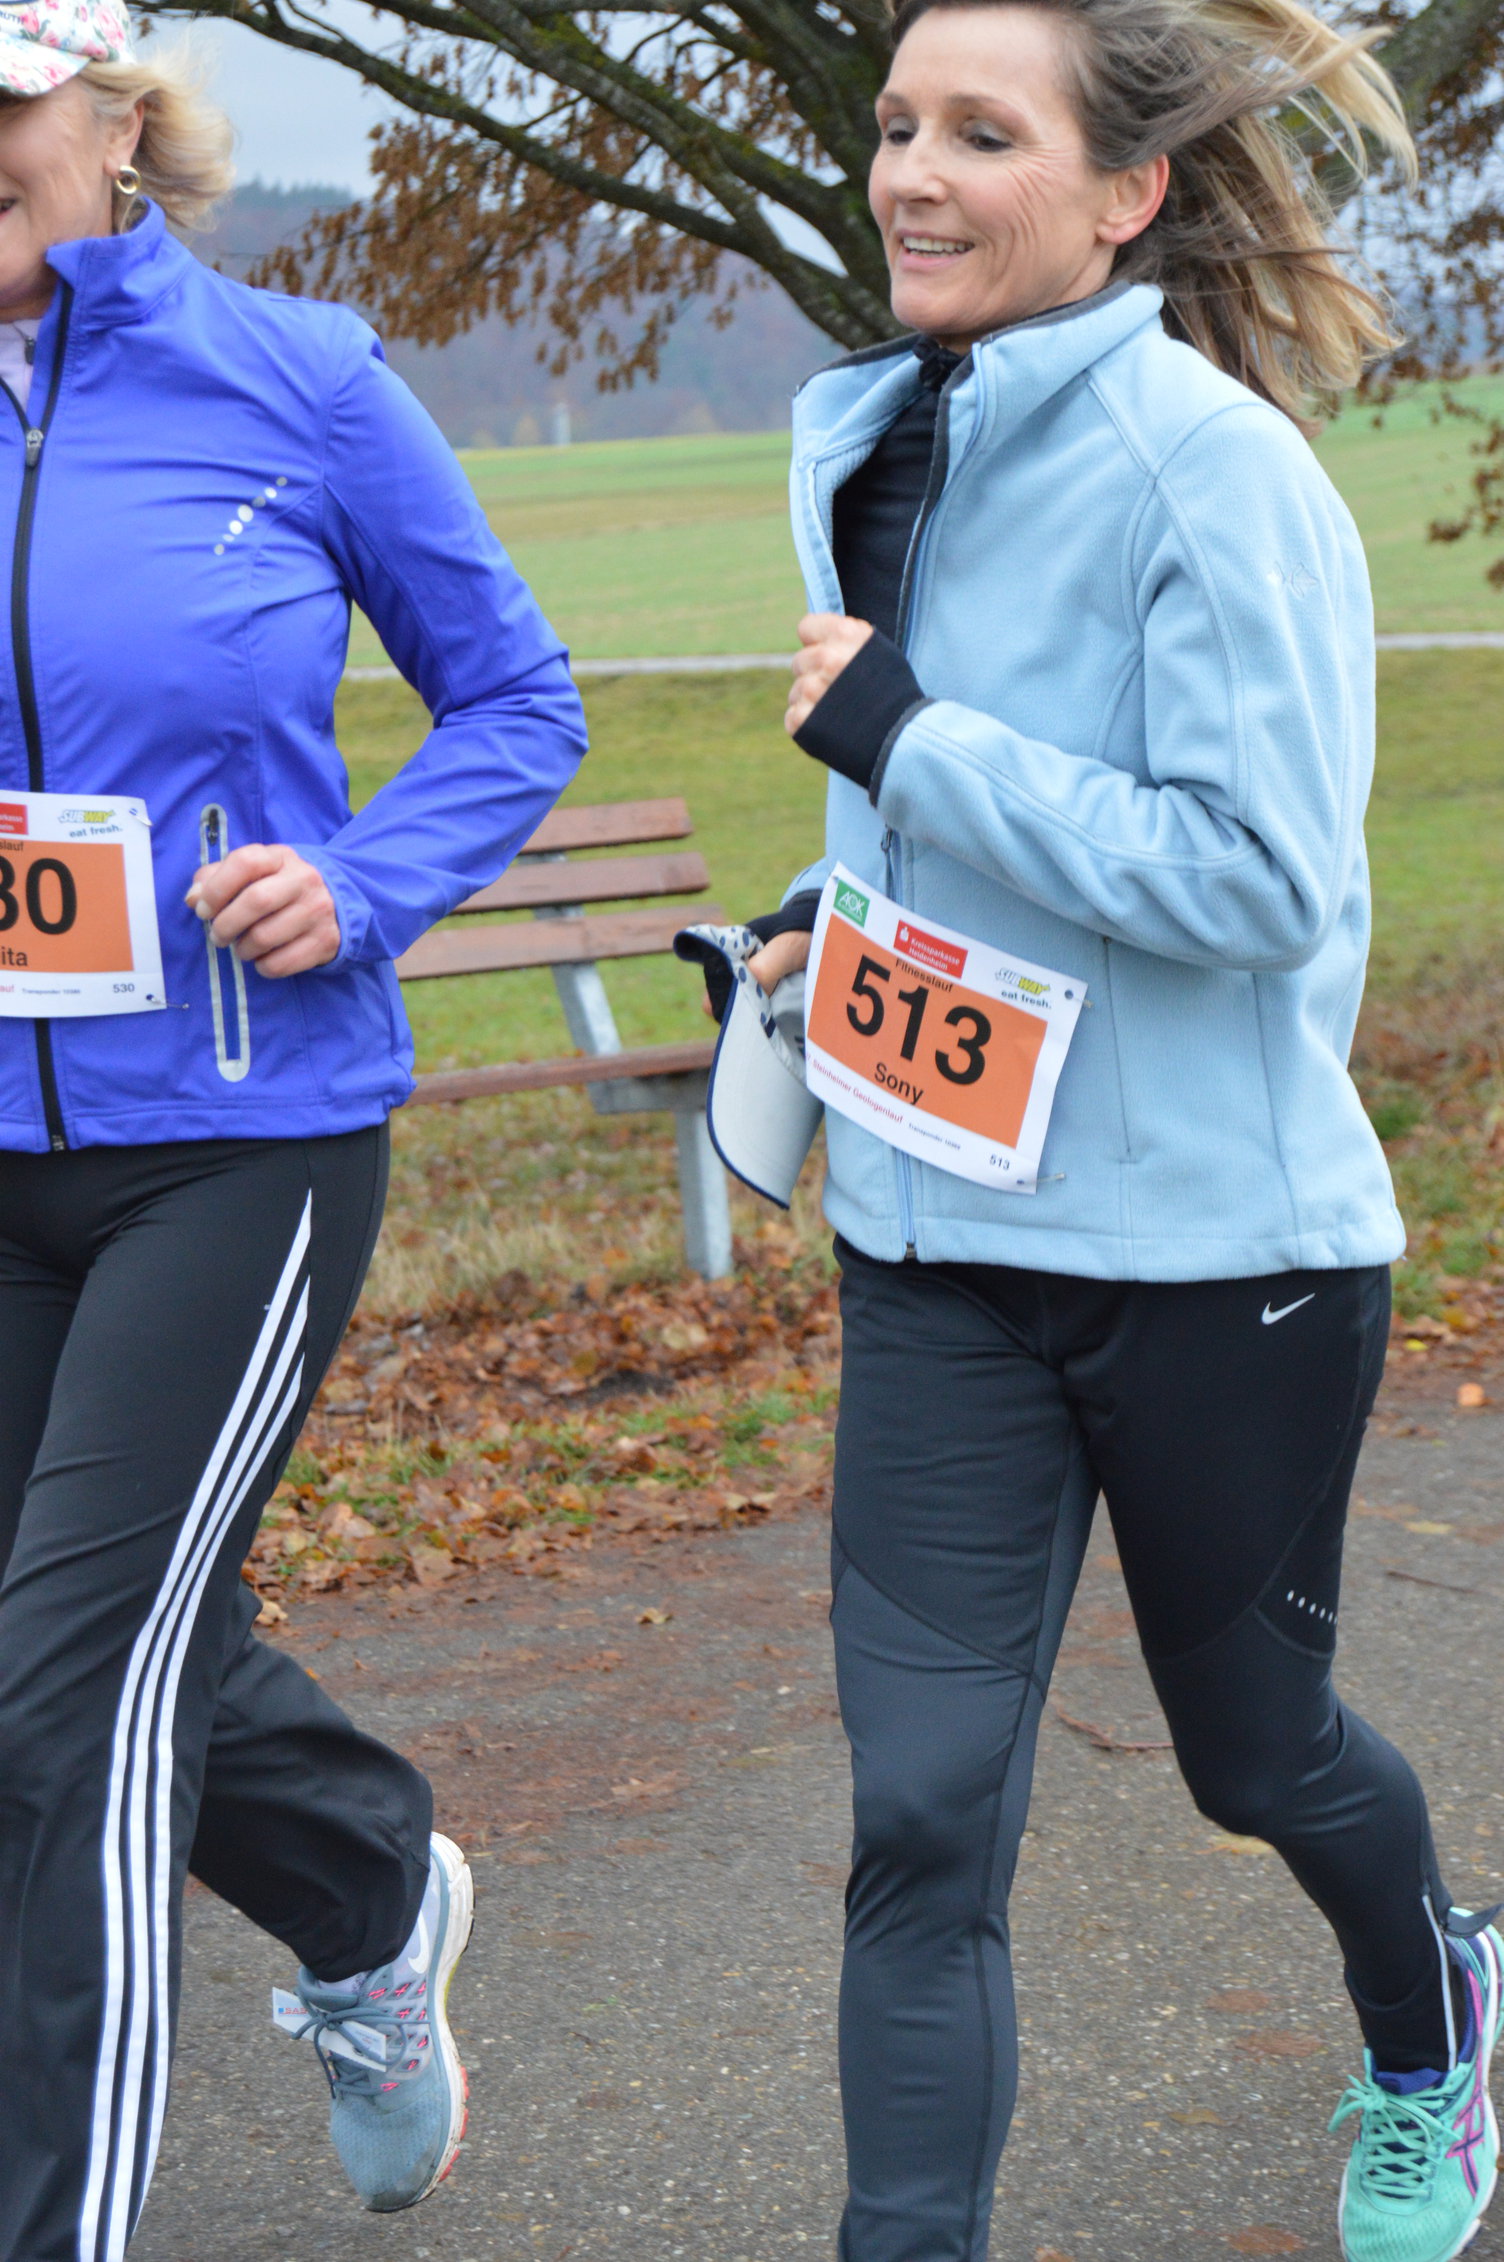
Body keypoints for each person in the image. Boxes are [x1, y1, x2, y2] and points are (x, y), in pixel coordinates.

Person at [710, 3, 1503, 2257]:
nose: (908, 173)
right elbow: (938, 817)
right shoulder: (880, 439)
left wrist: (914, 742)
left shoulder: (1212, 472)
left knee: (1257, 1757)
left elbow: (1261, 879)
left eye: (981, 134)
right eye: (896, 126)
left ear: (1128, 193)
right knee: (920, 1813)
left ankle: (1434, 2009)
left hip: (1215, 1267)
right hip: (936, 1250)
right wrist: (835, 925)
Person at [0, 13, 587, 2261]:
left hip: (235, 1142)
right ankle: (367, 1891)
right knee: (78, 1639)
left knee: (66, 1697)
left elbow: (514, 696)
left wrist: (362, 880)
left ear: (108, 117)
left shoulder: (299, 379)